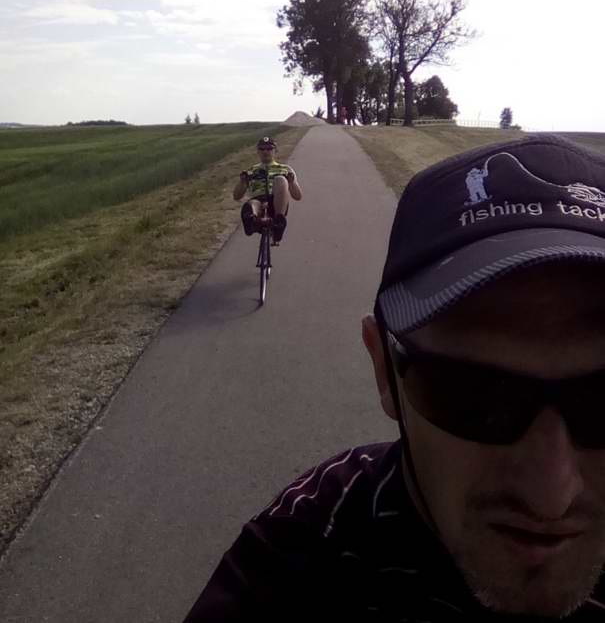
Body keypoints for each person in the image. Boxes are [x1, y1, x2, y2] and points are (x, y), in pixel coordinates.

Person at [185, 134, 605, 621]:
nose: (550, 497)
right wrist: (245, 185)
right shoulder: (310, 542)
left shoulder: (279, 170)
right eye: (475, 398)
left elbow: (295, 192)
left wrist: (289, 182)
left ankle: (273, 225)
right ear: (384, 369)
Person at [233, 136, 302, 243]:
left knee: (280, 179)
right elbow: (237, 196)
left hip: (277, 202)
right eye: (262, 149)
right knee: (251, 205)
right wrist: (242, 182)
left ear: (275, 150)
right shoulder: (251, 170)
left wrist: (291, 182)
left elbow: (297, 196)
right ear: (258, 151)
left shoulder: (285, 169)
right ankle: (250, 220)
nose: (265, 151)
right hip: (258, 202)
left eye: (269, 148)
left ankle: (279, 222)